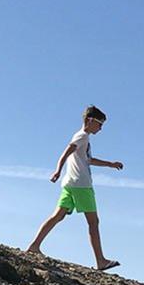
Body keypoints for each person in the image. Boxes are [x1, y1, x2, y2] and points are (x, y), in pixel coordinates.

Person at [26, 105, 123, 271]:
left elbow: (88, 160)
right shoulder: (82, 136)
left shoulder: (83, 138)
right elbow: (66, 151)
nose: (101, 128)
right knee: (93, 222)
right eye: (100, 124)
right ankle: (100, 261)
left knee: (58, 216)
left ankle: (34, 246)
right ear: (90, 120)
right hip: (81, 185)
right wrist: (57, 170)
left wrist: (110, 164)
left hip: (70, 183)